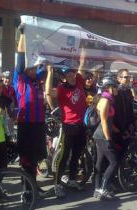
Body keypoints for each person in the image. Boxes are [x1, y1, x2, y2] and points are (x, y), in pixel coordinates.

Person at [45, 55, 87, 197]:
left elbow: (81, 66)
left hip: (81, 125)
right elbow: (48, 93)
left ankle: (72, 179)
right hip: (69, 126)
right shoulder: (62, 88)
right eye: (68, 75)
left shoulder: (79, 82)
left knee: (76, 154)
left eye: (72, 74)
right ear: (64, 77)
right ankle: (57, 185)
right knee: (64, 156)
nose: (71, 77)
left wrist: (82, 56)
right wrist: (50, 73)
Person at [14, 28, 48, 195]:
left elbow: (46, 66)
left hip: (39, 124)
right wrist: (22, 35)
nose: (35, 70)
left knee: (35, 158)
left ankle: (33, 185)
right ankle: (26, 190)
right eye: (32, 68)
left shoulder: (37, 80)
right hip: (26, 124)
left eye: (35, 68)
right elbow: (20, 57)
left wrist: (42, 41)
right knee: (26, 159)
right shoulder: (21, 78)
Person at [93, 74, 120, 201]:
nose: (117, 89)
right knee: (114, 162)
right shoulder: (104, 101)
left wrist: (116, 129)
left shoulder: (108, 100)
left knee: (99, 162)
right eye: (115, 87)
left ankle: (97, 189)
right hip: (102, 136)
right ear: (109, 87)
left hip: (101, 135)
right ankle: (103, 188)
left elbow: (109, 120)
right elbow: (103, 121)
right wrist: (108, 137)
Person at [114, 69, 135, 154]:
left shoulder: (128, 91)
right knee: (118, 152)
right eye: (125, 77)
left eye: (128, 77)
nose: (127, 79)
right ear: (118, 79)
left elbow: (130, 108)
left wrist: (131, 123)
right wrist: (122, 129)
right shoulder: (116, 91)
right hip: (118, 126)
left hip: (127, 125)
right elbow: (117, 112)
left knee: (125, 150)